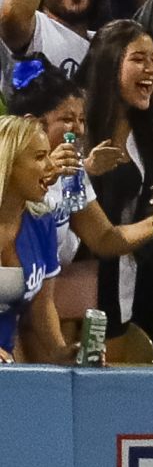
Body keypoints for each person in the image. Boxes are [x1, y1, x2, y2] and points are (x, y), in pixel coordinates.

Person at [0, 115, 64, 361]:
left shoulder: (41, 221)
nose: (51, 166)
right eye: (39, 157)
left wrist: (61, 352)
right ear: (8, 164)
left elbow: (41, 305)